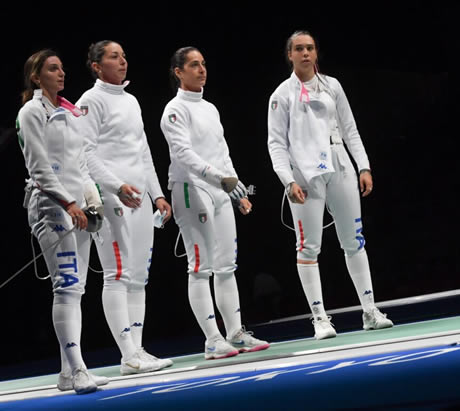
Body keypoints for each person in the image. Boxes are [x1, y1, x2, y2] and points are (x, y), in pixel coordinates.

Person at [267, 31, 393, 340]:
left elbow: (350, 129)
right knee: (308, 247)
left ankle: (369, 311)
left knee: (354, 240)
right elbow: (276, 145)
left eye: (310, 48)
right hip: (305, 174)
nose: (306, 53)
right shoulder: (280, 95)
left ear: (316, 53)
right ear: (290, 55)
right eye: (299, 49)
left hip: (339, 164)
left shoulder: (332, 85)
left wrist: (363, 165)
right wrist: (288, 181)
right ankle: (320, 318)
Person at [160, 46, 270, 359]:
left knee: (226, 266)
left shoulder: (210, 108)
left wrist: (237, 191)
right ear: (178, 72)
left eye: (204, 64)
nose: (201, 69)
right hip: (191, 189)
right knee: (200, 268)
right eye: (194, 65)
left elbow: (223, 153)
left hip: (220, 190)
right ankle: (212, 339)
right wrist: (220, 179)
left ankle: (234, 332)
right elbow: (184, 155)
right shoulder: (173, 110)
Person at [76, 40, 173, 375]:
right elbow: (85, 154)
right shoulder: (89, 102)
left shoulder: (130, 101)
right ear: (96, 65)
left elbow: (143, 151)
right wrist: (117, 187)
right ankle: (127, 353)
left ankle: (138, 350)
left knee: (138, 277)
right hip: (112, 199)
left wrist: (156, 194)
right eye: (114, 57)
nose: (122, 61)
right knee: (117, 275)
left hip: (140, 198)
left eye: (124, 56)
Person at [16, 49, 109, 394]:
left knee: (76, 289)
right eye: (53, 69)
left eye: (62, 68)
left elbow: (80, 163)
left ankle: (68, 372)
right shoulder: (30, 112)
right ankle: (79, 369)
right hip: (51, 206)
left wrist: (92, 200)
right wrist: (69, 202)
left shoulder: (69, 112)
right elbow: (38, 168)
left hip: (77, 209)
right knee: (67, 287)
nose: (61, 73)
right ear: (37, 77)